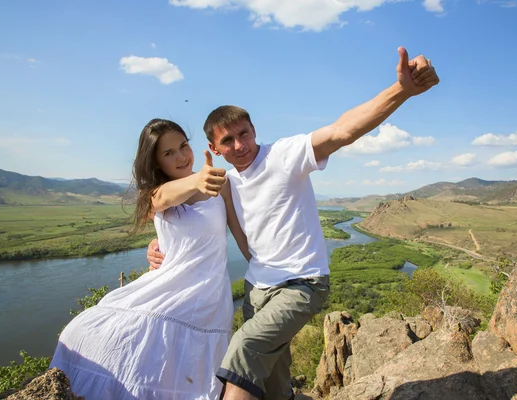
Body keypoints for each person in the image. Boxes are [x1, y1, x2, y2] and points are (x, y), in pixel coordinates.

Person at [147, 47, 440, 400]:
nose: (241, 145)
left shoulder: (285, 155)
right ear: (214, 147)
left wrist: (402, 91)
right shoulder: (226, 183)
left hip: (303, 283)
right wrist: (160, 247)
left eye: (244, 133)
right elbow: (176, 210)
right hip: (257, 288)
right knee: (271, 380)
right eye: (228, 140)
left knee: (243, 348)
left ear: (254, 129)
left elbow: (343, 130)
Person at [51, 118, 251, 400]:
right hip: (165, 288)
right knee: (83, 332)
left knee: (180, 372)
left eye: (183, 146)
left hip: (205, 297)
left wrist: (262, 269)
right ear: (156, 162)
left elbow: (240, 235)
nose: (181, 156)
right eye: (169, 153)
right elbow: (163, 199)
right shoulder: (156, 194)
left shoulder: (221, 183)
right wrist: (197, 179)